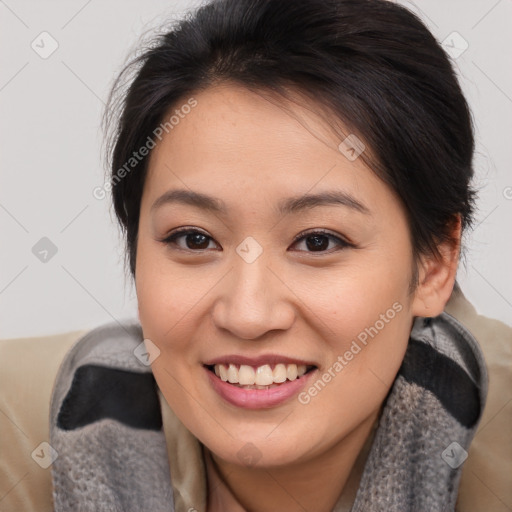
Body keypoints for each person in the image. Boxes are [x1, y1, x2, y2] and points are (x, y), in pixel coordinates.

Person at [1, 0, 510, 510]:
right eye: (194, 239)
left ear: (435, 263)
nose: (247, 315)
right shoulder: (16, 434)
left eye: (318, 241)